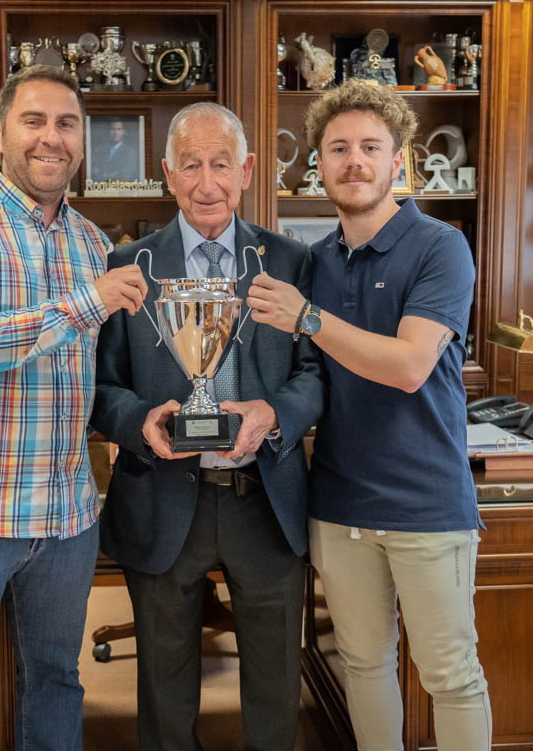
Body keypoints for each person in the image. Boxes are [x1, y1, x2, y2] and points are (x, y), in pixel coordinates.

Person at [0, 64, 148, 751]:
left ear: (82, 140)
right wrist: (86, 303)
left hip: (64, 515)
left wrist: (146, 417)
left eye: (67, 124)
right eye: (33, 121)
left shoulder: (92, 243)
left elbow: (96, 376)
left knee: (57, 681)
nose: (51, 138)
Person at [246, 79, 492, 751]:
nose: (354, 161)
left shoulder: (441, 246)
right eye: (338, 149)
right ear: (318, 165)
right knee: (363, 664)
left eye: (370, 147)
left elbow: (409, 366)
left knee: (450, 674)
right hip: (338, 504)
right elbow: (305, 375)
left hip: (426, 503)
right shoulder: (314, 262)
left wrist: (308, 317)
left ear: (397, 161)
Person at [92, 102, 325, 751]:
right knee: (164, 693)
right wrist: (140, 420)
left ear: (246, 171)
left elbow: (314, 374)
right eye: (190, 165)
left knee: (275, 687)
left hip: (265, 499)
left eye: (221, 164)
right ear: (168, 174)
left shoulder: (290, 261)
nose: (206, 183)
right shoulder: (128, 265)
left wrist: (274, 412)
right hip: (163, 497)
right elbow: (100, 389)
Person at [93, 116, 140, 181]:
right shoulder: (100, 151)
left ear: (123, 132)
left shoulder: (131, 152)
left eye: (119, 129)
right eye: (112, 129)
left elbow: (125, 174)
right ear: (108, 132)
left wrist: (102, 174)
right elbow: (94, 171)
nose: (115, 133)